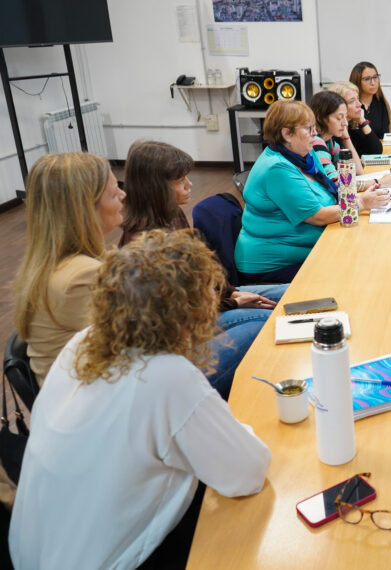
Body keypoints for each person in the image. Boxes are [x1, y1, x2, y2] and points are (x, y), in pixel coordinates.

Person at [9, 229, 271, 569]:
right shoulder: (165, 376)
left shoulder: (81, 346)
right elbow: (248, 472)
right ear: (189, 313)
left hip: (36, 552)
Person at [119, 140, 287, 397]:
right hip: (190, 329)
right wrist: (233, 302)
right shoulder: (144, 242)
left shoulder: (172, 212)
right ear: (156, 186)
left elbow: (203, 271)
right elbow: (184, 311)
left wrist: (231, 292)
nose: (190, 184)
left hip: (213, 303)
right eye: (180, 180)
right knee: (272, 322)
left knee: (290, 293)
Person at [234, 99, 390, 284]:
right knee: (356, 269)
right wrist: (362, 202)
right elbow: (318, 216)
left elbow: (331, 194)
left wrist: (358, 196)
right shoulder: (277, 169)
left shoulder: (305, 156)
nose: (315, 134)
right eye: (308, 129)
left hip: (307, 246)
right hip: (271, 265)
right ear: (287, 134)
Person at [12, 152, 126, 385]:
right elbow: (128, 354)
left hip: (96, 389)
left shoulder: (58, 263)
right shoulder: (80, 275)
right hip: (94, 405)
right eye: (115, 193)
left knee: (224, 322)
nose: (124, 195)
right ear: (85, 210)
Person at [327, 81, 382, 157]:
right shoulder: (333, 134)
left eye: (358, 99)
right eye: (352, 101)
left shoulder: (353, 126)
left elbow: (376, 151)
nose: (359, 104)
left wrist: (362, 121)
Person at [350, 61, 391, 139]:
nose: (373, 83)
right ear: (357, 81)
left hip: (378, 149)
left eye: (375, 77)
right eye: (367, 79)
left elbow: (385, 135)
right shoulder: (351, 106)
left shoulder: (381, 102)